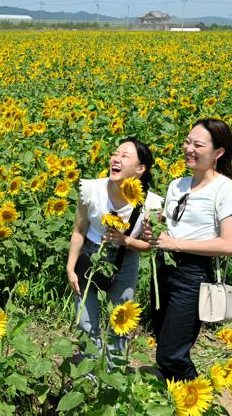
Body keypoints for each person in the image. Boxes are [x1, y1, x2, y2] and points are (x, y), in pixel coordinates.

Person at [144, 118, 232, 381]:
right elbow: (169, 228)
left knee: (172, 355)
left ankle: (198, 400)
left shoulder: (228, 190)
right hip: (163, 269)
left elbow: (227, 244)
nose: (188, 148)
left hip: (193, 275)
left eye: (198, 144)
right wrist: (153, 232)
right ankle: (173, 400)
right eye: (187, 141)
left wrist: (176, 243)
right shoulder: (176, 185)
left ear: (218, 152)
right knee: (163, 343)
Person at [66, 137, 162, 363]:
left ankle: (113, 376)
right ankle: (90, 378)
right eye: (115, 154)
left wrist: (124, 240)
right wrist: (70, 267)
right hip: (90, 255)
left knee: (120, 322)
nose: (115, 159)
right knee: (85, 320)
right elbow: (79, 231)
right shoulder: (91, 190)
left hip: (126, 260)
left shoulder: (150, 203)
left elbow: (150, 245)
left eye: (124, 156)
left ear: (140, 169)